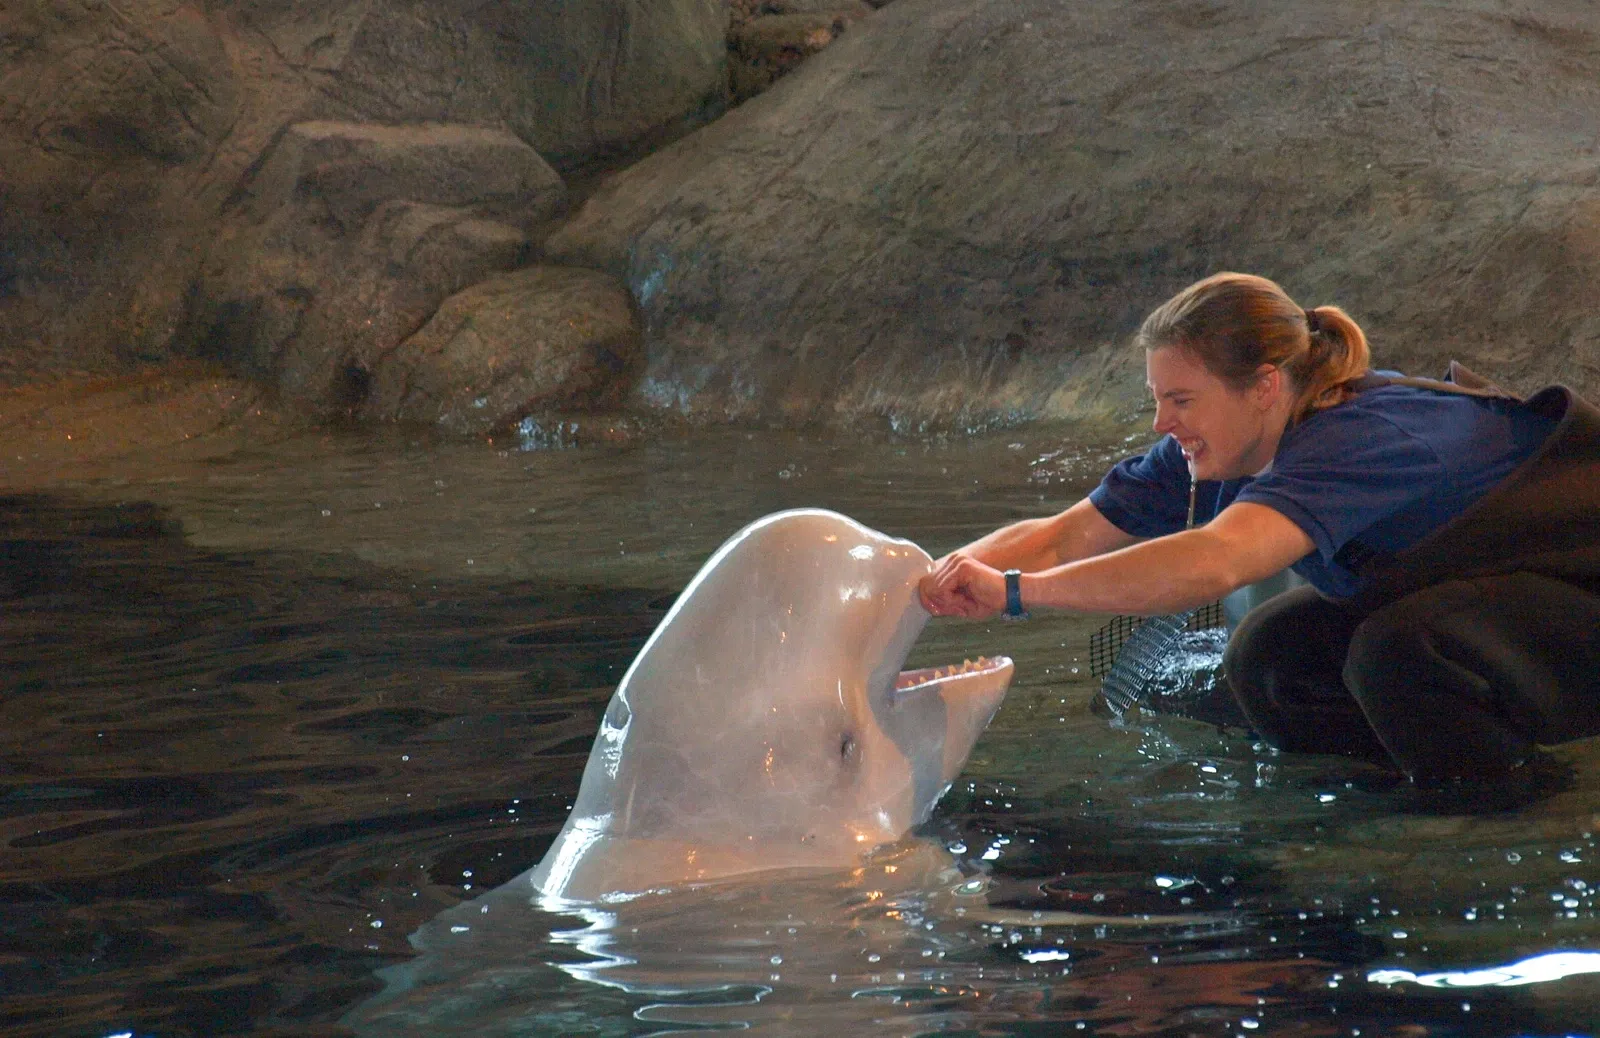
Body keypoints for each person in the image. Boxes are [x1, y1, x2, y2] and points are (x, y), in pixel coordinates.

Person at [919, 272, 1600, 784]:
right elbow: (1064, 536)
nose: (1163, 423)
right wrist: (920, 587)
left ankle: (1517, 808)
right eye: (1158, 401)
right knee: (1275, 653)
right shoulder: (1212, 444)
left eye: (1181, 400)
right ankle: (1398, 793)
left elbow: (1219, 560)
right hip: (1507, 594)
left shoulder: (1361, 435)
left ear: (1265, 386)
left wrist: (1016, 593)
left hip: (1579, 595)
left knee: (1400, 651)